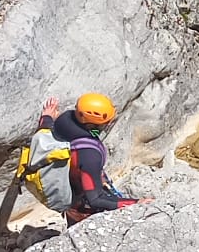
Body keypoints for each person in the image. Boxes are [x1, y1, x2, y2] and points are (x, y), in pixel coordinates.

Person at [17, 92, 140, 225]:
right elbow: (95, 199)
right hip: (84, 211)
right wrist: (136, 203)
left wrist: (46, 117)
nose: (109, 123)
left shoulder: (62, 126)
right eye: (106, 122)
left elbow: (45, 132)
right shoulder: (89, 155)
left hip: (74, 196)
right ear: (92, 125)